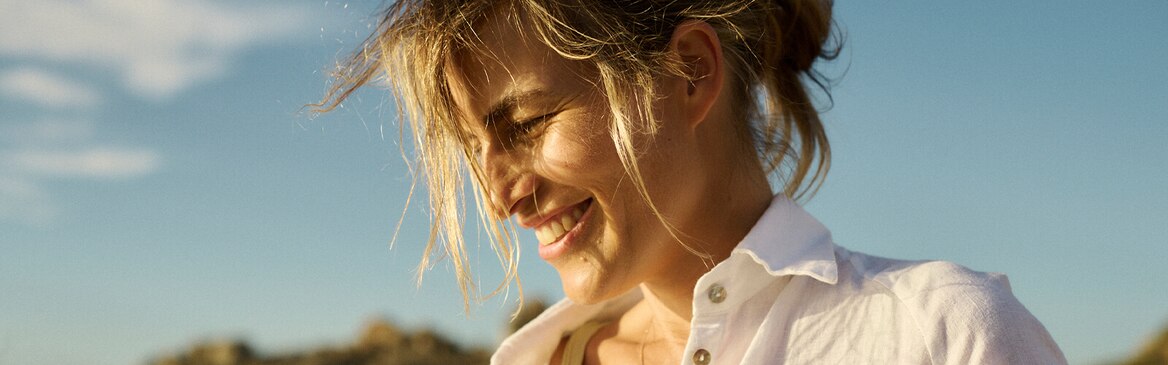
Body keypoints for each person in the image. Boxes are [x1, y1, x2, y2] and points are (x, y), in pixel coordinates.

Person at [315, 0, 1067, 364]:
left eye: (527, 124)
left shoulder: (938, 336)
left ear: (689, 72)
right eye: (478, 146)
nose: (499, 194)